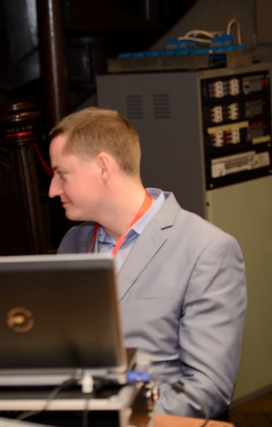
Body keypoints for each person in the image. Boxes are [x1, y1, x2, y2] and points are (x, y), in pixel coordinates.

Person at [49, 107, 246, 419]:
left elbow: (206, 391)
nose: (52, 190)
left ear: (102, 167)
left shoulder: (207, 250)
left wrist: (117, 420)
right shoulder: (73, 243)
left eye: (62, 174)